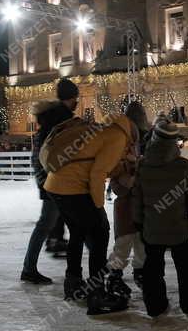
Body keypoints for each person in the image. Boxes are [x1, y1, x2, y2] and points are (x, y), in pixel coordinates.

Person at [44, 113, 135, 315]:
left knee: (77, 232)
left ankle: (73, 283)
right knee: (99, 235)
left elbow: (90, 163)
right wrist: (98, 207)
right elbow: (97, 173)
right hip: (73, 188)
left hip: (55, 186)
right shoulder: (118, 137)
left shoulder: (103, 131)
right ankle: (96, 294)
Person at [131, 118, 188, 317]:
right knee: (187, 267)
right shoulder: (182, 166)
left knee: (152, 268)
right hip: (178, 228)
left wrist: (138, 222)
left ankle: (155, 306)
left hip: (151, 227)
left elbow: (136, 198)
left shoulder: (143, 165)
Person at [21, 79, 79, 285]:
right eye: (76, 98)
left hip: (52, 178)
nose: (77, 103)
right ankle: (101, 269)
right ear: (71, 98)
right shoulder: (60, 119)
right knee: (76, 222)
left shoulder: (51, 118)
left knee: (61, 222)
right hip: (57, 179)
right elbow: (55, 152)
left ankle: (30, 267)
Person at [104, 101, 151, 295]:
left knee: (138, 239)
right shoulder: (122, 142)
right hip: (128, 199)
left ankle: (137, 271)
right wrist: (130, 175)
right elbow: (114, 173)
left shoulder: (142, 140)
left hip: (138, 199)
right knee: (126, 240)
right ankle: (115, 275)